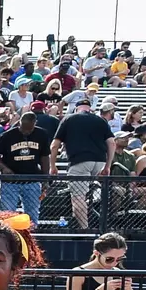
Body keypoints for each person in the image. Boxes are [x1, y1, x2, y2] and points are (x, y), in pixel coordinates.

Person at [50, 99, 116, 231]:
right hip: (99, 162)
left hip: (79, 162)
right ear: (90, 109)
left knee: (78, 197)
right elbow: (112, 143)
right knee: (92, 194)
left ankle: (85, 229)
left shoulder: (69, 119)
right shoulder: (100, 120)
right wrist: (107, 166)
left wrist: (52, 165)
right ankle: (101, 225)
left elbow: (54, 145)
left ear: (76, 109)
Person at [0, 111, 46, 221]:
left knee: (32, 214)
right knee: (6, 213)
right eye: (24, 128)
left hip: (32, 179)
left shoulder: (41, 134)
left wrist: (46, 178)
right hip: (10, 181)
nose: (26, 132)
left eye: (29, 129)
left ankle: (30, 236)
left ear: (35, 123)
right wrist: (4, 168)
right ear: (19, 122)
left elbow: (45, 157)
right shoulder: (7, 136)